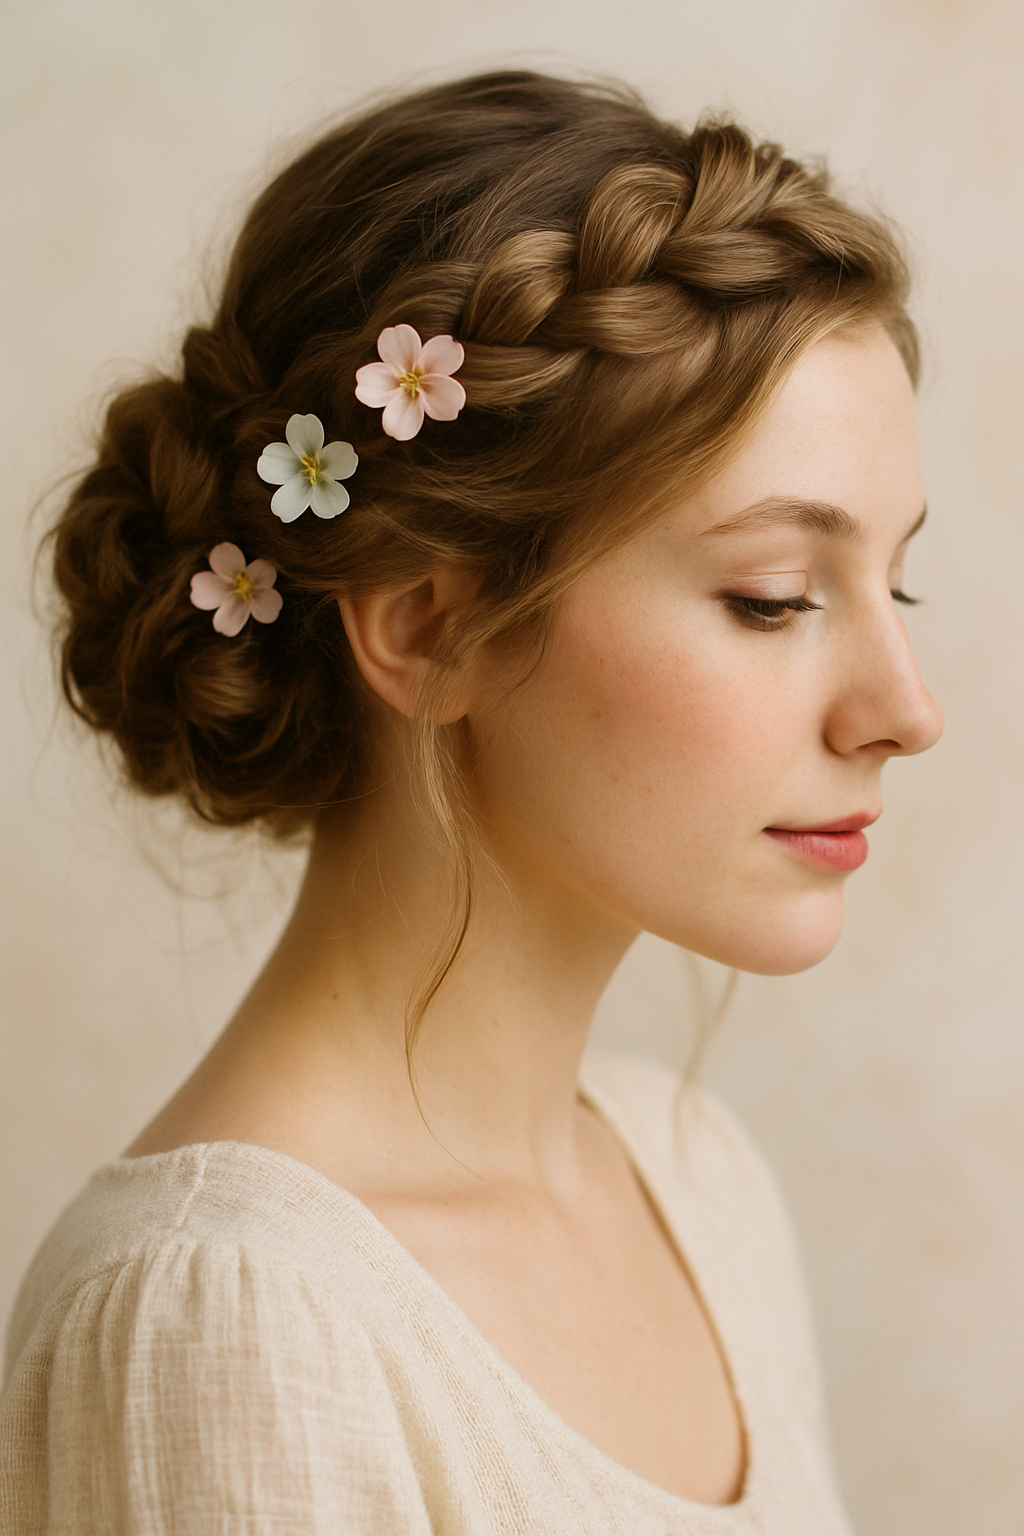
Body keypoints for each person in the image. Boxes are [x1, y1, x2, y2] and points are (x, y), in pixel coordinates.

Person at [0, 69, 942, 1534]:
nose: (906, 710)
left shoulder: (698, 1185)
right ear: (427, 625)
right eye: (772, 598)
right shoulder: (222, 1319)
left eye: (898, 582)